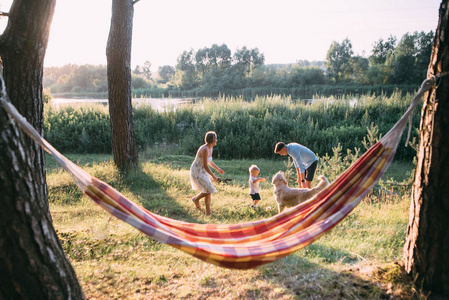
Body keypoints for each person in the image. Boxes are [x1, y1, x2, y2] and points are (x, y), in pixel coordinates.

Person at [190, 131, 224, 215]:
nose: (217, 140)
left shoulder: (210, 147)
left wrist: (217, 169)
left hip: (203, 171)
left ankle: (208, 212)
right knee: (208, 189)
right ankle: (196, 199)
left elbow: (209, 162)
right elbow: (205, 165)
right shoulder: (204, 149)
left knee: (208, 190)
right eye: (215, 138)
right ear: (211, 139)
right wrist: (213, 176)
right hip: (197, 171)